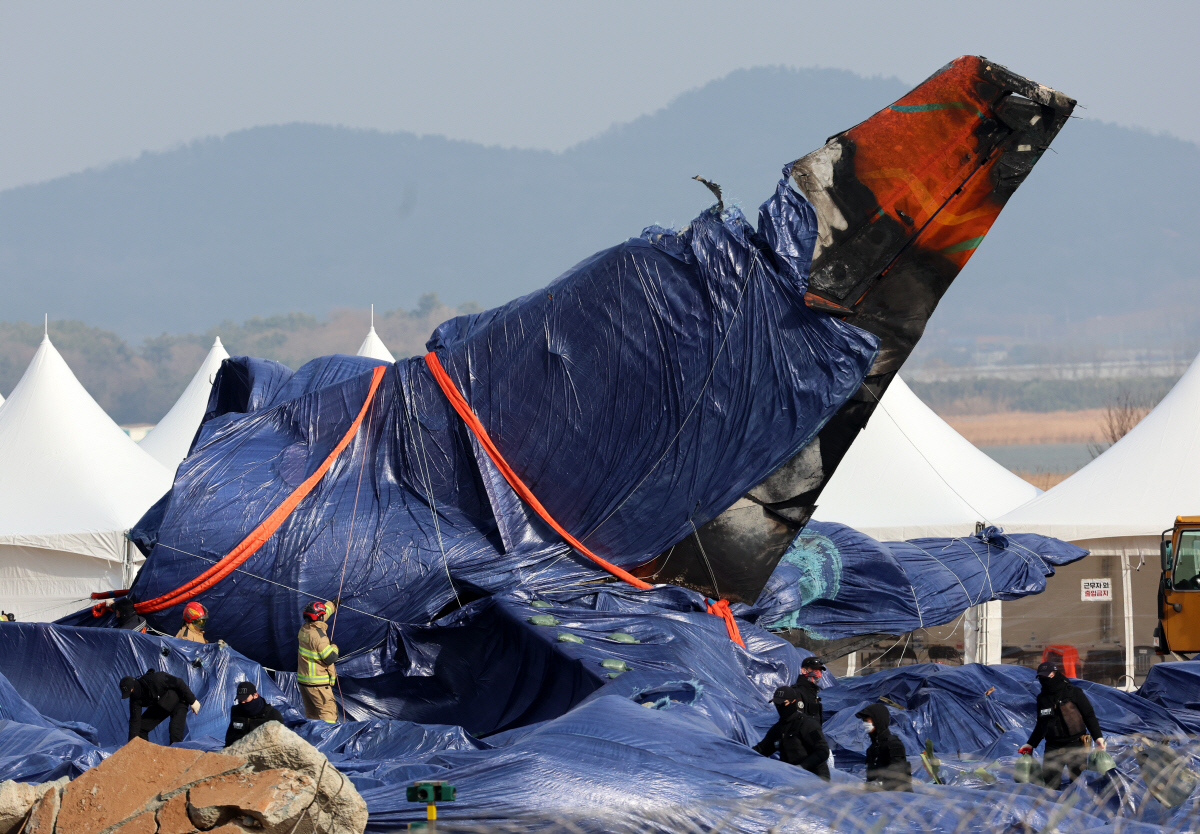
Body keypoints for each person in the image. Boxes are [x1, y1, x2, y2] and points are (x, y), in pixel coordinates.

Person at [1018, 661, 1105, 790]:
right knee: (1050, 785)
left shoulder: (1074, 692)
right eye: (1041, 677)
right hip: (1053, 746)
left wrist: (1098, 737)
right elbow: (1041, 724)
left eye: (1046, 676)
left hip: (1076, 744)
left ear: (1054, 673)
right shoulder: (1042, 698)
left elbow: (1089, 715)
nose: (1044, 680)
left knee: (1078, 784)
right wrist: (1031, 744)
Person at [752, 685, 831, 780]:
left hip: (815, 777)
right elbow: (761, 750)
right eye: (776, 704)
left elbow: (823, 751)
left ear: (793, 701)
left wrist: (802, 767)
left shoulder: (807, 724)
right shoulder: (777, 729)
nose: (779, 707)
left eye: (782, 703)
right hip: (791, 777)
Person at [120, 670, 201, 745]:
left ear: (134, 686)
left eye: (131, 690)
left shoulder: (156, 679)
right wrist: (131, 745)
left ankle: (175, 758)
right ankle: (143, 754)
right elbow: (135, 721)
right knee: (141, 727)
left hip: (179, 701)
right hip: (162, 704)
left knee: (175, 732)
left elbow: (179, 682)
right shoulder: (135, 699)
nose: (132, 694)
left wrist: (193, 701)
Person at [297, 600, 339, 723]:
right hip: (318, 684)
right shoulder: (320, 637)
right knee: (328, 714)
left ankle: (313, 740)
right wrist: (334, 647)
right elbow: (330, 658)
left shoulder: (304, 630)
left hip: (304, 681)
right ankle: (328, 739)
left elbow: (321, 616)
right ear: (319, 616)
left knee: (312, 715)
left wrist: (332, 604)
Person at [856, 704, 912, 791]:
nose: (865, 724)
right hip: (878, 797)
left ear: (877, 720)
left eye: (867, 721)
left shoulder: (893, 744)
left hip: (897, 796)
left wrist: (876, 784)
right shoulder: (872, 749)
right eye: (864, 721)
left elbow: (898, 776)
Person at [224, 681, 285, 746]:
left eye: (245, 699)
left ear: (255, 695)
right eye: (240, 699)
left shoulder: (272, 714)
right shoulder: (236, 711)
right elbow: (230, 736)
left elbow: (280, 740)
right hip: (238, 751)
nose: (243, 702)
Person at [794, 656, 826, 720]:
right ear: (803, 670)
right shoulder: (797, 692)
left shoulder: (813, 691)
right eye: (814, 670)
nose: (818, 674)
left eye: (820, 670)